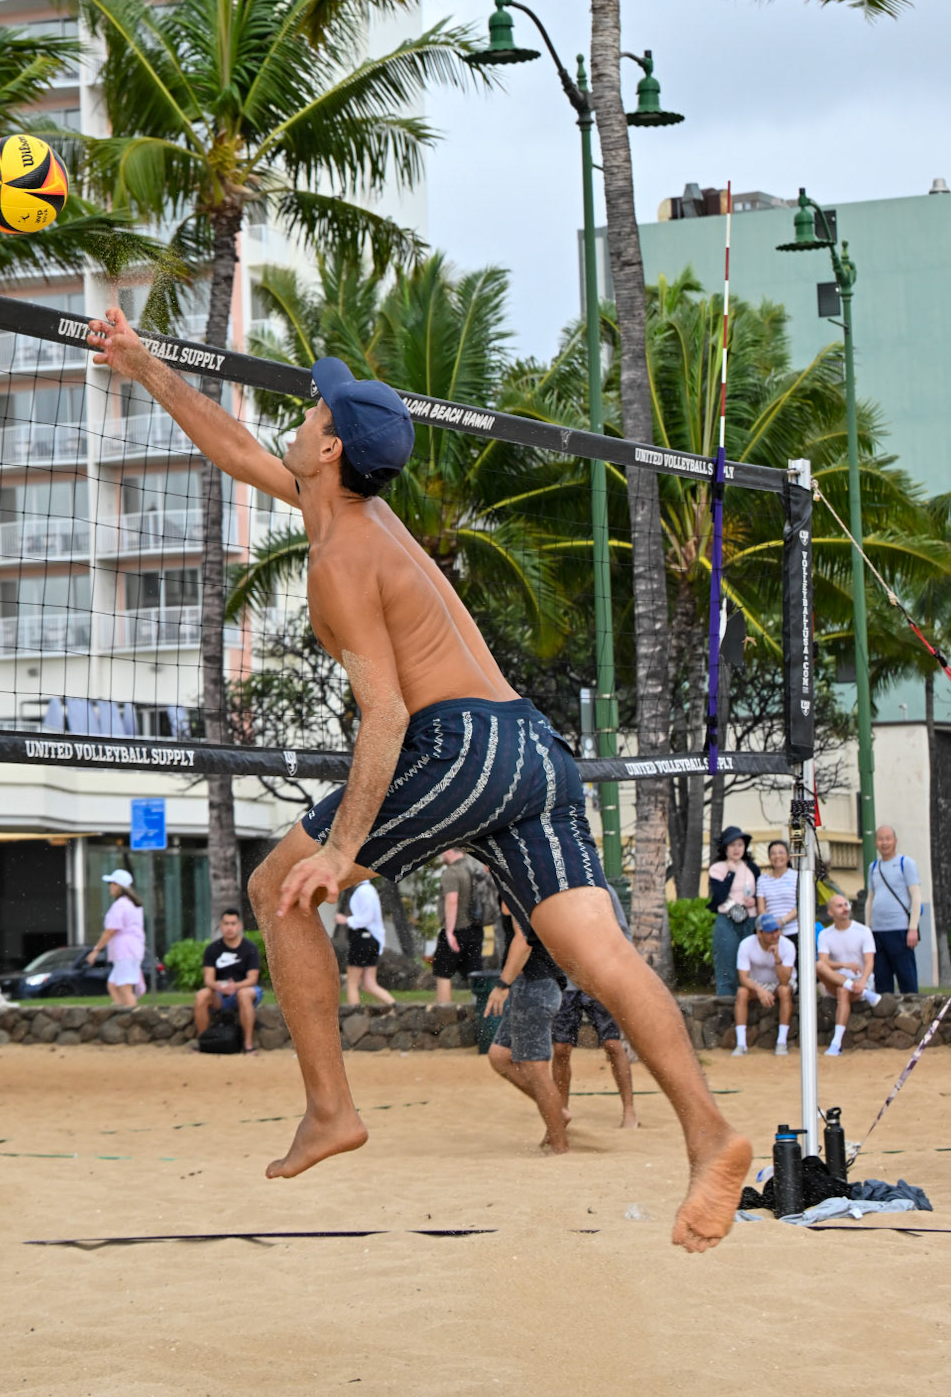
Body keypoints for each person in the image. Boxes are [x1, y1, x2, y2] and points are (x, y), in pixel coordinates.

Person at [88, 310, 751, 1253]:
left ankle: (330, 1109)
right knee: (600, 953)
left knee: (281, 891)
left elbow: (388, 715)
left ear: (327, 447)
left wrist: (345, 851)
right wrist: (143, 365)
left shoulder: (340, 557)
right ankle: (711, 1137)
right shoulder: (354, 507)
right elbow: (237, 447)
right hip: (532, 749)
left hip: (460, 747)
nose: (306, 406)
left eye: (316, 405)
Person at [550, 885, 637, 1130]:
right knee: (561, 1049)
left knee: (612, 1044)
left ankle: (629, 1110)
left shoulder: (605, 891)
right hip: (566, 982)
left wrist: (622, 971)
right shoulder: (556, 892)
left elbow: (623, 934)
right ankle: (560, 1112)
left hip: (600, 980)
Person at [484, 910, 569, 1154]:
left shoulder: (515, 886)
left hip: (535, 986)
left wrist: (502, 984)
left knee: (536, 1069)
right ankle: (558, 1113)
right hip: (532, 986)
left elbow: (524, 940)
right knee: (500, 1055)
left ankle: (560, 1145)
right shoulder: (513, 886)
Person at [817, 893, 880, 1055]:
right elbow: (824, 962)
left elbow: (869, 962)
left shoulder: (863, 931)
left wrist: (863, 982)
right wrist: (844, 964)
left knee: (842, 990)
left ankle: (836, 1044)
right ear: (830, 912)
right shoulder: (825, 934)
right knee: (819, 965)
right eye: (839, 906)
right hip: (837, 980)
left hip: (859, 981)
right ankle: (857, 989)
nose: (845, 909)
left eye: (846, 905)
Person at [193, 907, 263, 1052]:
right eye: (226, 924)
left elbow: (252, 979)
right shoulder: (212, 949)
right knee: (201, 995)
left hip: (245, 990)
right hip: (220, 993)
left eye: (233, 923)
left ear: (239, 926)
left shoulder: (250, 948)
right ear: (221, 926)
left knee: (243, 994)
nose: (229, 927)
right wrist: (218, 986)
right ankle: (203, 1041)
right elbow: (208, 979)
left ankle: (248, 1045)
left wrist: (235, 986)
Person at [866, 825, 922, 997]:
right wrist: (867, 929)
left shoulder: (906, 864)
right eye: (881, 839)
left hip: (900, 929)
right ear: (876, 842)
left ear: (895, 841)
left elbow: (916, 896)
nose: (884, 843)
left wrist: (913, 927)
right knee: (882, 979)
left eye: (888, 838)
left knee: (906, 977)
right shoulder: (873, 867)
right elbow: (870, 899)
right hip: (877, 931)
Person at [706, 826, 759, 997]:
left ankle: (748, 1004)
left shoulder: (752, 867)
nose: (737, 849)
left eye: (740, 845)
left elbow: (761, 892)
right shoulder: (717, 868)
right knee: (726, 962)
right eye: (732, 845)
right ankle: (725, 1004)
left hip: (750, 919)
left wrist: (755, 900)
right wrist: (730, 872)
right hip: (727, 920)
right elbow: (720, 895)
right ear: (725, 847)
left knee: (749, 965)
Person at [731, 917, 795, 1057]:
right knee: (742, 992)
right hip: (757, 984)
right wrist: (760, 990)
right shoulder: (746, 944)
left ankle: (781, 1042)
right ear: (759, 933)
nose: (775, 935)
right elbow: (743, 978)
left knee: (785, 990)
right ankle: (741, 1044)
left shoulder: (788, 945)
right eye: (770, 932)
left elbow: (784, 981)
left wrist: (777, 958)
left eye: (777, 930)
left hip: (780, 983)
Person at [87, 869, 147, 1005]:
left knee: (125, 988)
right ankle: (122, 1014)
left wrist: (96, 950)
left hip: (125, 952)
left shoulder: (120, 905)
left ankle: (133, 1018)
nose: (110, 887)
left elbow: (110, 931)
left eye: (113, 884)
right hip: (132, 950)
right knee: (113, 985)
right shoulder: (133, 904)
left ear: (119, 887)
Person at [432, 849, 484, 1002]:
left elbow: (452, 901)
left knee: (442, 973)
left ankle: (443, 1015)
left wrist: (449, 932)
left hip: (456, 930)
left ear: (449, 851)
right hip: (476, 928)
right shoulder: (474, 868)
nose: (441, 855)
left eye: (442, 852)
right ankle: (480, 1012)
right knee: (475, 973)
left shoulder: (452, 872)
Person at [337, 878, 395, 1008]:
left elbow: (366, 918)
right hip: (372, 940)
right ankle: (395, 1008)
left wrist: (345, 920)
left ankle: (354, 1015)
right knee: (369, 984)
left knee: (352, 983)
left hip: (363, 939)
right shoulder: (368, 890)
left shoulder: (364, 891)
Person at [755, 841, 799, 951]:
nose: (777, 856)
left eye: (781, 852)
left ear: (788, 857)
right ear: (769, 858)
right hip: (772, 935)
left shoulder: (797, 876)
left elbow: (801, 905)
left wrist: (781, 922)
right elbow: (761, 909)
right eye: (773, 853)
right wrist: (774, 928)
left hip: (795, 931)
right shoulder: (762, 880)